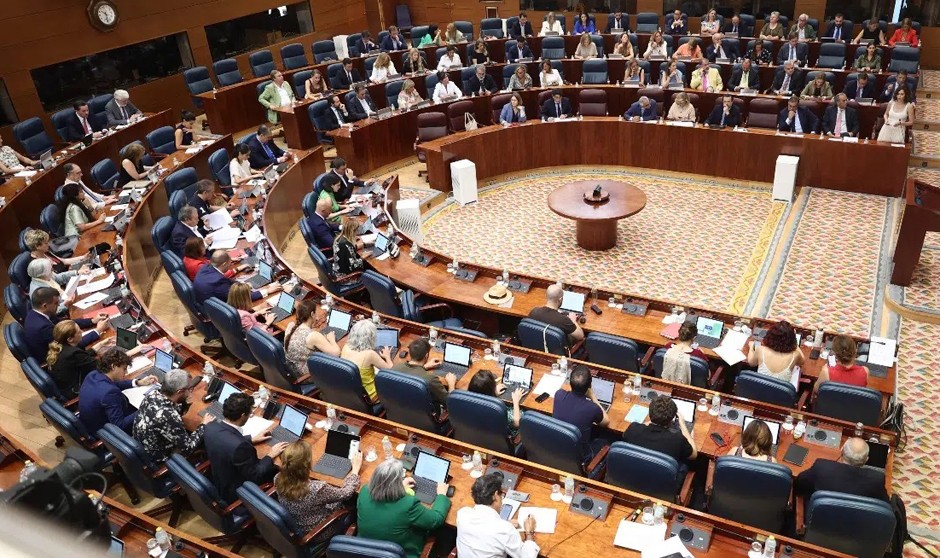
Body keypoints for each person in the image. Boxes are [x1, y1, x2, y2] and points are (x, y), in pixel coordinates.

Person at [204, 392, 288, 503]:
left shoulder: (210, 427)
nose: (251, 414)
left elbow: (226, 441)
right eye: (250, 412)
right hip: (237, 492)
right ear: (242, 415)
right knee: (283, 470)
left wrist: (251, 439)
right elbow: (256, 475)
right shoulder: (240, 447)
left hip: (220, 479)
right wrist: (270, 455)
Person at [357, 459, 450, 558]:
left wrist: (399, 486)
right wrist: (441, 495)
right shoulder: (408, 504)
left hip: (365, 551)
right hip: (401, 554)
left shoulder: (364, 491)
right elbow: (436, 519)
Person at [277, 440, 361, 532]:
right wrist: (355, 471)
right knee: (354, 504)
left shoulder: (277, 478)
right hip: (320, 530)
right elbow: (346, 493)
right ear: (307, 464)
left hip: (298, 523)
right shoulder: (316, 489)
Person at [134, 369, 211, 463]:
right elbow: (188, 448)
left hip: (143, 444)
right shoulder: (169, 416)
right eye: (189, 389)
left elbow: (169, 410)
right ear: (179, 392)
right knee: (205, 444)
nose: (190, 393)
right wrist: (203, 425)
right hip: (158, 458)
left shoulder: (152, 395)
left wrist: (184, 404)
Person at [456, 471, 539, 558]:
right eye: (502, 495)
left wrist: (506, 523)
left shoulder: (462, 514)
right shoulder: (505, 530)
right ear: (495, 496)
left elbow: (482, 529)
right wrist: (529, 533)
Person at [78, 348, 157, 435]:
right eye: (124, 369)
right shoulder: (109, 393)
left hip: (92, 423)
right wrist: (145, 407)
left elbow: (113, 384)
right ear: (113, 366)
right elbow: (120, 426)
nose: (126, 372)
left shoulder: (93, 374)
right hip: (104, 432)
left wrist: (138, 382)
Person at [24, 287, 107, 361]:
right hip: (58, 360)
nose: (59, 305)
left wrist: (92, 321)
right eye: (56, 303)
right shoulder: (43, 328)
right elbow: (68, 347)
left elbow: (66, 323)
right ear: (45, 306)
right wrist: (97, 331)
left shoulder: (38, 313)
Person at [795, 438, 889, 502]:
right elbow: (885, 506)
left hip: (819, 518)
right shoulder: (876, 479)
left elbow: (799, 485)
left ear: (842, 450)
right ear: (866, 460)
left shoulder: (822, 467)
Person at [553, 365, 610, 460]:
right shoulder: (592, 408)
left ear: (570, 382)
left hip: (558, 446)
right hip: (580, 454)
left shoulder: (559, 394)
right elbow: (606, 422)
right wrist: (592, 396)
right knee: (606, 441)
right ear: (590, 386)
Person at [622, 395, 697, 464]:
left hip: (632, 469)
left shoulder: (633, 428)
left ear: (649, 414)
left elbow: (625, 437)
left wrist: (653, 420)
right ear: (672, 419)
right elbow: (693, 455)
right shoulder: (677, 439)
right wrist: (683, 425)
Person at [193, 250, 280, 306]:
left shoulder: (206, 267)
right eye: (230, 262)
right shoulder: (217, 281)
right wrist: (267, 291)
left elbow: (225, 280)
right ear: (224, 264)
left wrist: (242, 285)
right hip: (216, 312)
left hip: (203, 302)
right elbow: (241, 297)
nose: (231, 265)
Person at [393, 338, 454, 409]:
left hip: (400, 408)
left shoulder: (395, 368)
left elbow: (411, 372)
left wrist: (424, 367)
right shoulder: (430, 379)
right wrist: (451, 384)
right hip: (425, 413)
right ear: (426, 355)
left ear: (410, 354)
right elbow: (449, 403)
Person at [341, 319, 395, 400]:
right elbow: (390, 369)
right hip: (371, 395)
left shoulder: (346, 347)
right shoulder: (370, 354)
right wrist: (387, 356)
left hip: (352, 392)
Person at [284, 300, 341, 376]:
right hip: (306, 376)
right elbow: (336, 354)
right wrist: (332, 339)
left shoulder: (291, 327)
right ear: (312, 314)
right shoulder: (312, 335)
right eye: (316, 313)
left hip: (292, 372)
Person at [47, 320, 98, 398]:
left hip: (67, 389)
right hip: (79, 392)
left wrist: (95, 348)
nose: (82, 331)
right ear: (70, 339)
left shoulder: (60, 349)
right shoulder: (74, 353)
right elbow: (100, 366)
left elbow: (80, 359)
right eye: (79, 331)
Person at [468, 370, 522, 437]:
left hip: (479, 434)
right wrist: (516, 402)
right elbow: (516, 423)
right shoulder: (495, 409)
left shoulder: (466, 402)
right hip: (505, 437)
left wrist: (493, 393)